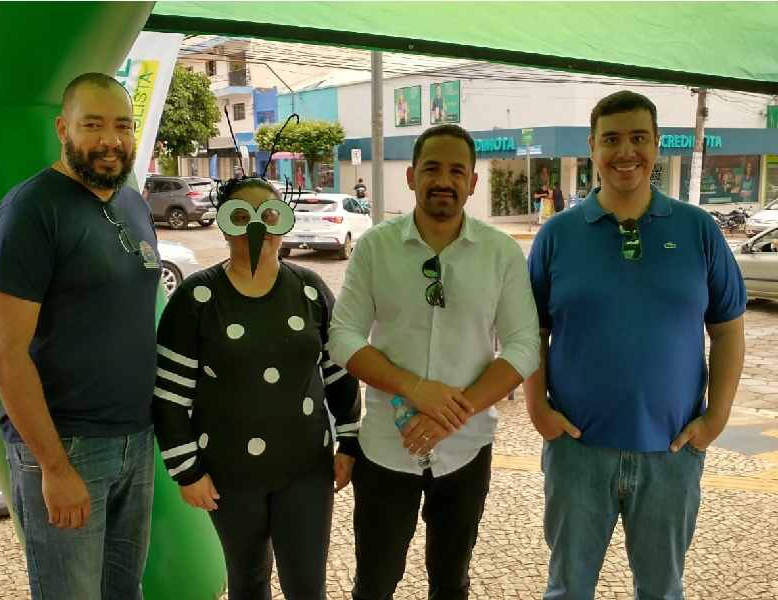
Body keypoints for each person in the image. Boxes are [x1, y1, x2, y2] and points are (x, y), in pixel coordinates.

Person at [524, 90, 747, 600]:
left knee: (662, 591)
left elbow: (728, 328)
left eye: (638, 138)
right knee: (567, 590)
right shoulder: (557, 235)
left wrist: (716, 419)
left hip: (672, 452)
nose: (626, 151)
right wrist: (537, 409)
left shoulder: (698, 230)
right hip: (577, 452)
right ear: (592, 147)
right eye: (612, 139)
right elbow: (530, 331)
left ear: (657, 144)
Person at [328, 123, 540, 600]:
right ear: (411, 177)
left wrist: (453, 413)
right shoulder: (375, 247)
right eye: (432, 169)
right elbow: (342, 336)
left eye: (456, 171)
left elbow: (524, 344)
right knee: (374, 583)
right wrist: (415, 388)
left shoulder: (501, 252)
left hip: (467, 448)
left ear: (472, 182)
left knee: (451, 581)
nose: (444, 180)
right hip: (386, 447)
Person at [0, 72, 161, 600]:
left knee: (123, 592)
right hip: (68, 447)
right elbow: (3, 351)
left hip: (135, 440)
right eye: (93, 125)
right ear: (63, 129)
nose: (111, 140)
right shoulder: (30, 210)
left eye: (122, 126)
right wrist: (54, 467)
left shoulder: (132, 203)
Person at [151, 176, 361, 600]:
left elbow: (337, 370)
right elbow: (169, 395)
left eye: (268, 215)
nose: (257, 229)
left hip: (307, 469)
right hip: (228, 475)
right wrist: (187, 471)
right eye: (241, 216)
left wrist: (350, 440)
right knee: (248, 581)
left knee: (307, 586)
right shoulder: (195, 298)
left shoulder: (310, 288)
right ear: (224, 224)